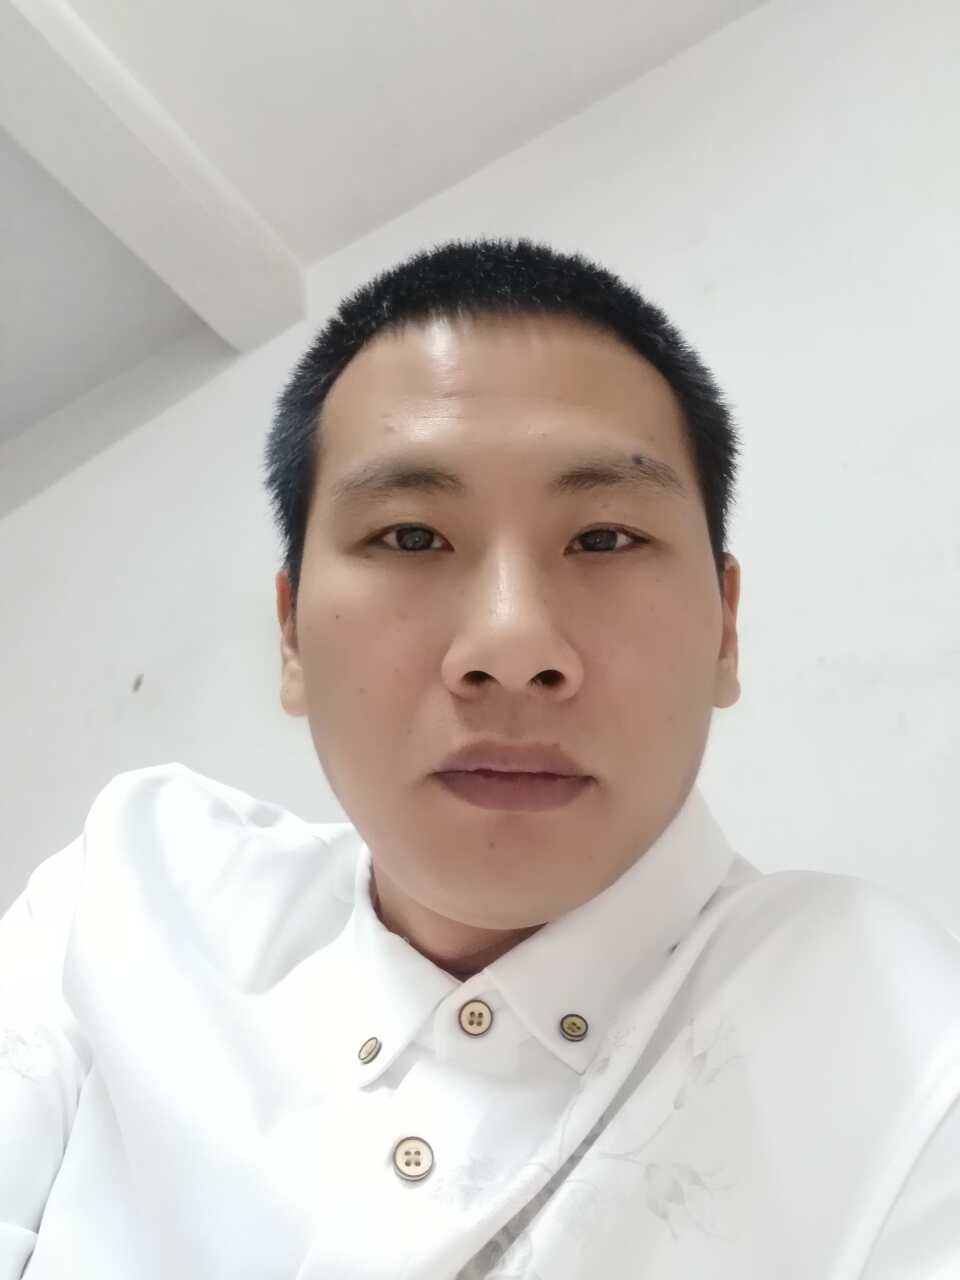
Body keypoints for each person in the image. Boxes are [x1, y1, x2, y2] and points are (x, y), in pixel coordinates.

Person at [2, 237, 958, 1279]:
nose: (512, 645)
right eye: (412, 537)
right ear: (290, 634)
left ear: (726, 629)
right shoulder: (131, 896)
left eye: (604, 537)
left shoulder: (899, 1053)